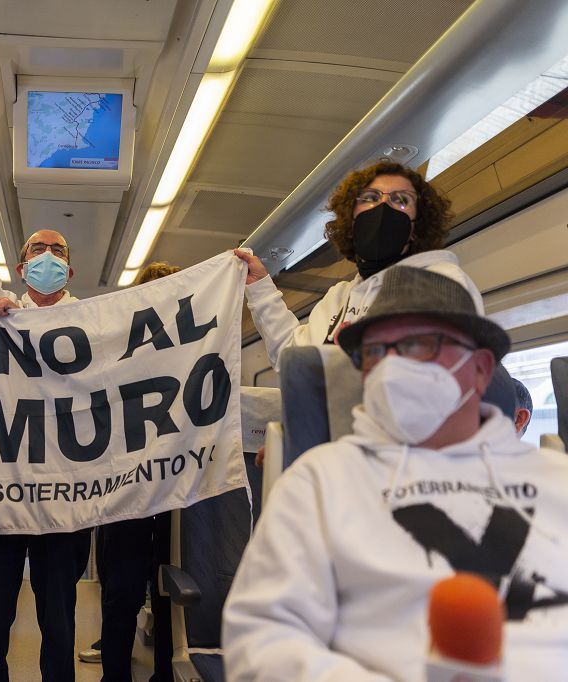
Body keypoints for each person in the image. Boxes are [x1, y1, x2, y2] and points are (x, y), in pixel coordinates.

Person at [223, 266, 568, 681]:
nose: (391, 368)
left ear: (479, 369)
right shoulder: (321, 479)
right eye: (375, 351)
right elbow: (262, 638)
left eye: (418, 344)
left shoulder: (556, 479)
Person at [0, 131, 91, 682]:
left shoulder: (95, 323)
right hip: (3, 487)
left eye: (57, 252)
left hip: (65, 491)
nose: (45, 256)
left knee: (59, 616)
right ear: (20, 265)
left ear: (69, 272)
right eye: (34, 249)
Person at [233, 161, 483, 372]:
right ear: (351, 220)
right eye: (371, 198)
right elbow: (294, 359)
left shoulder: (442, 283)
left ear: (416, 228)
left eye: (401, 200)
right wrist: (260, 287)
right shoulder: (339, 298)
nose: (384, 207)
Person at [84, 262, 179, 681]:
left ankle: (165, 673)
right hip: (126, 489)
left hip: (178, 487)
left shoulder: (192, 347)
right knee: (120, 592)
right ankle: (115, 674)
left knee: (167, 593)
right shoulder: (119, 351)